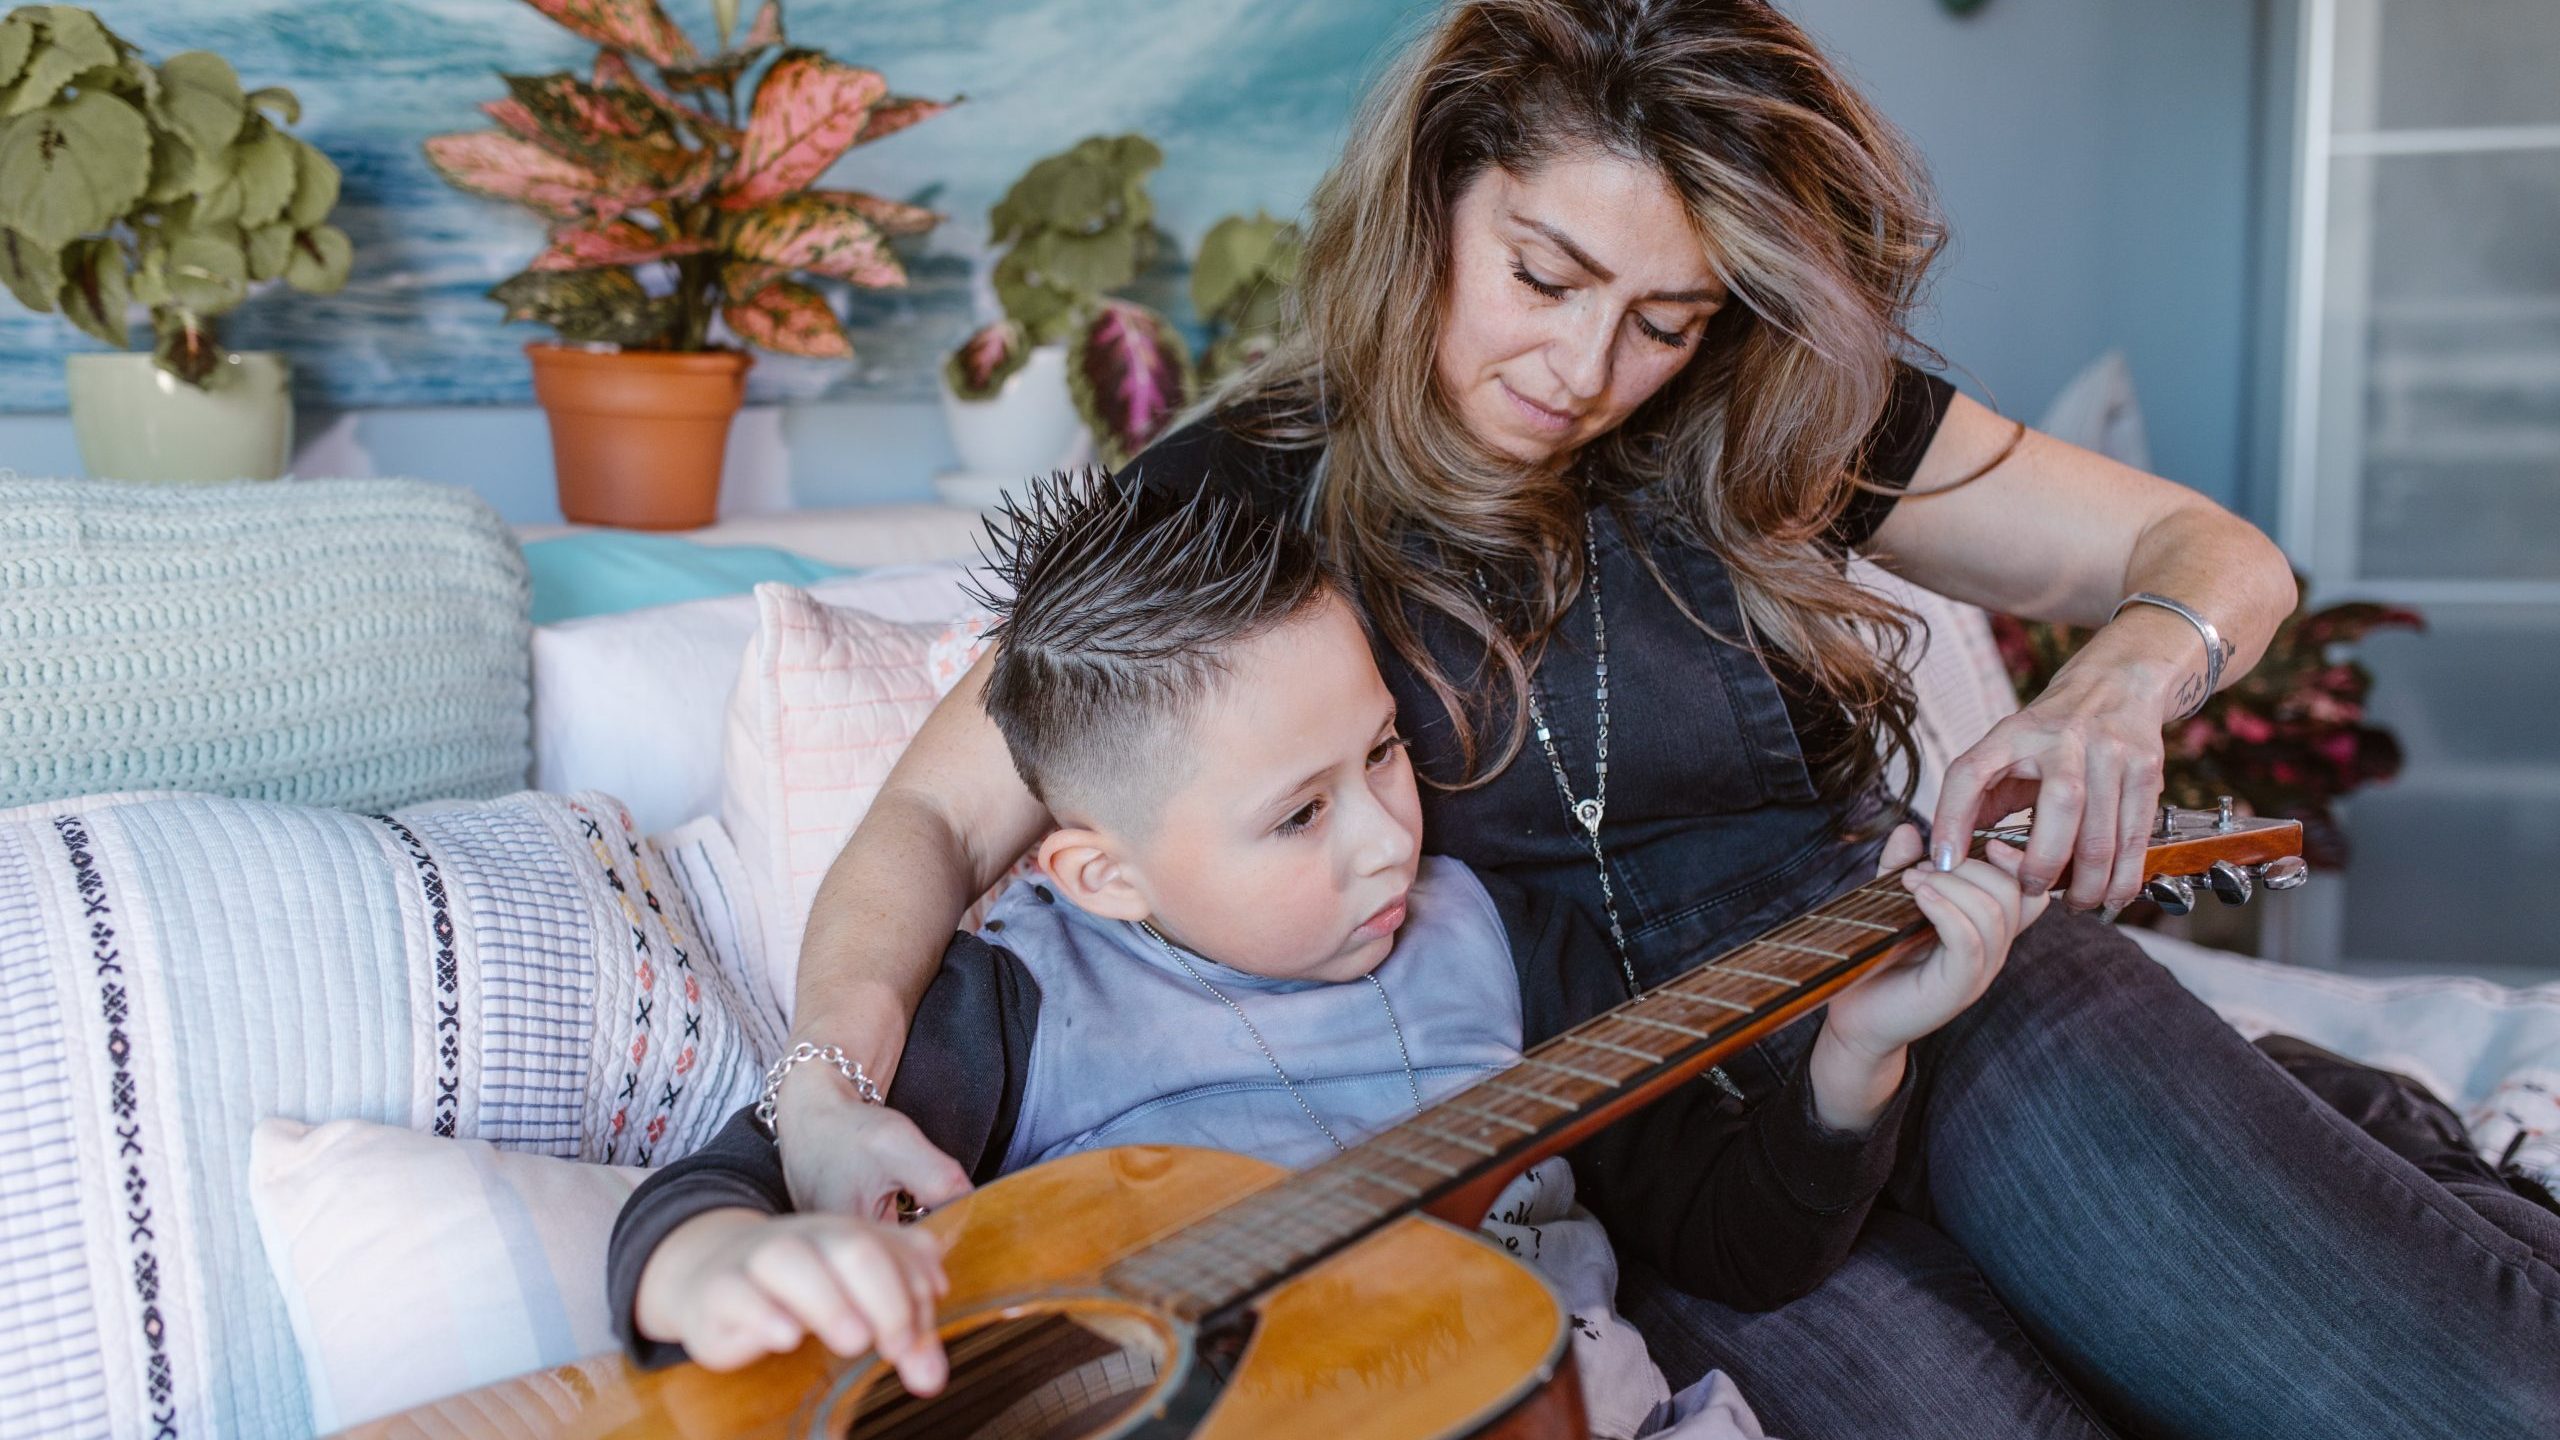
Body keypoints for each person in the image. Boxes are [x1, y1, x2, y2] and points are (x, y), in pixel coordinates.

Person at [766, 3, 2560, 1435]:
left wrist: (2117, 676)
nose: (1588, 372)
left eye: (1667, 318)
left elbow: (2209, 555)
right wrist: (828, 1097)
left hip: (1951, 990)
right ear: (1438, 198)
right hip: (1673, 1170)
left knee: (2462, 1392)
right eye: (1544, 278)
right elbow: (933, 821)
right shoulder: (1238, 495)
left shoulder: (1773, 415)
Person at [607, 475, 2047, 1439]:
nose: (1382, 841)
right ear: (1101, 874)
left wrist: (1855, 1058)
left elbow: (1732, 1241)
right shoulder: (1019, 1009)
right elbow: (713, 1189)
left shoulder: (1504, 943)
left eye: (1382, 755)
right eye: (1297, 814)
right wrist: (725, 1258)